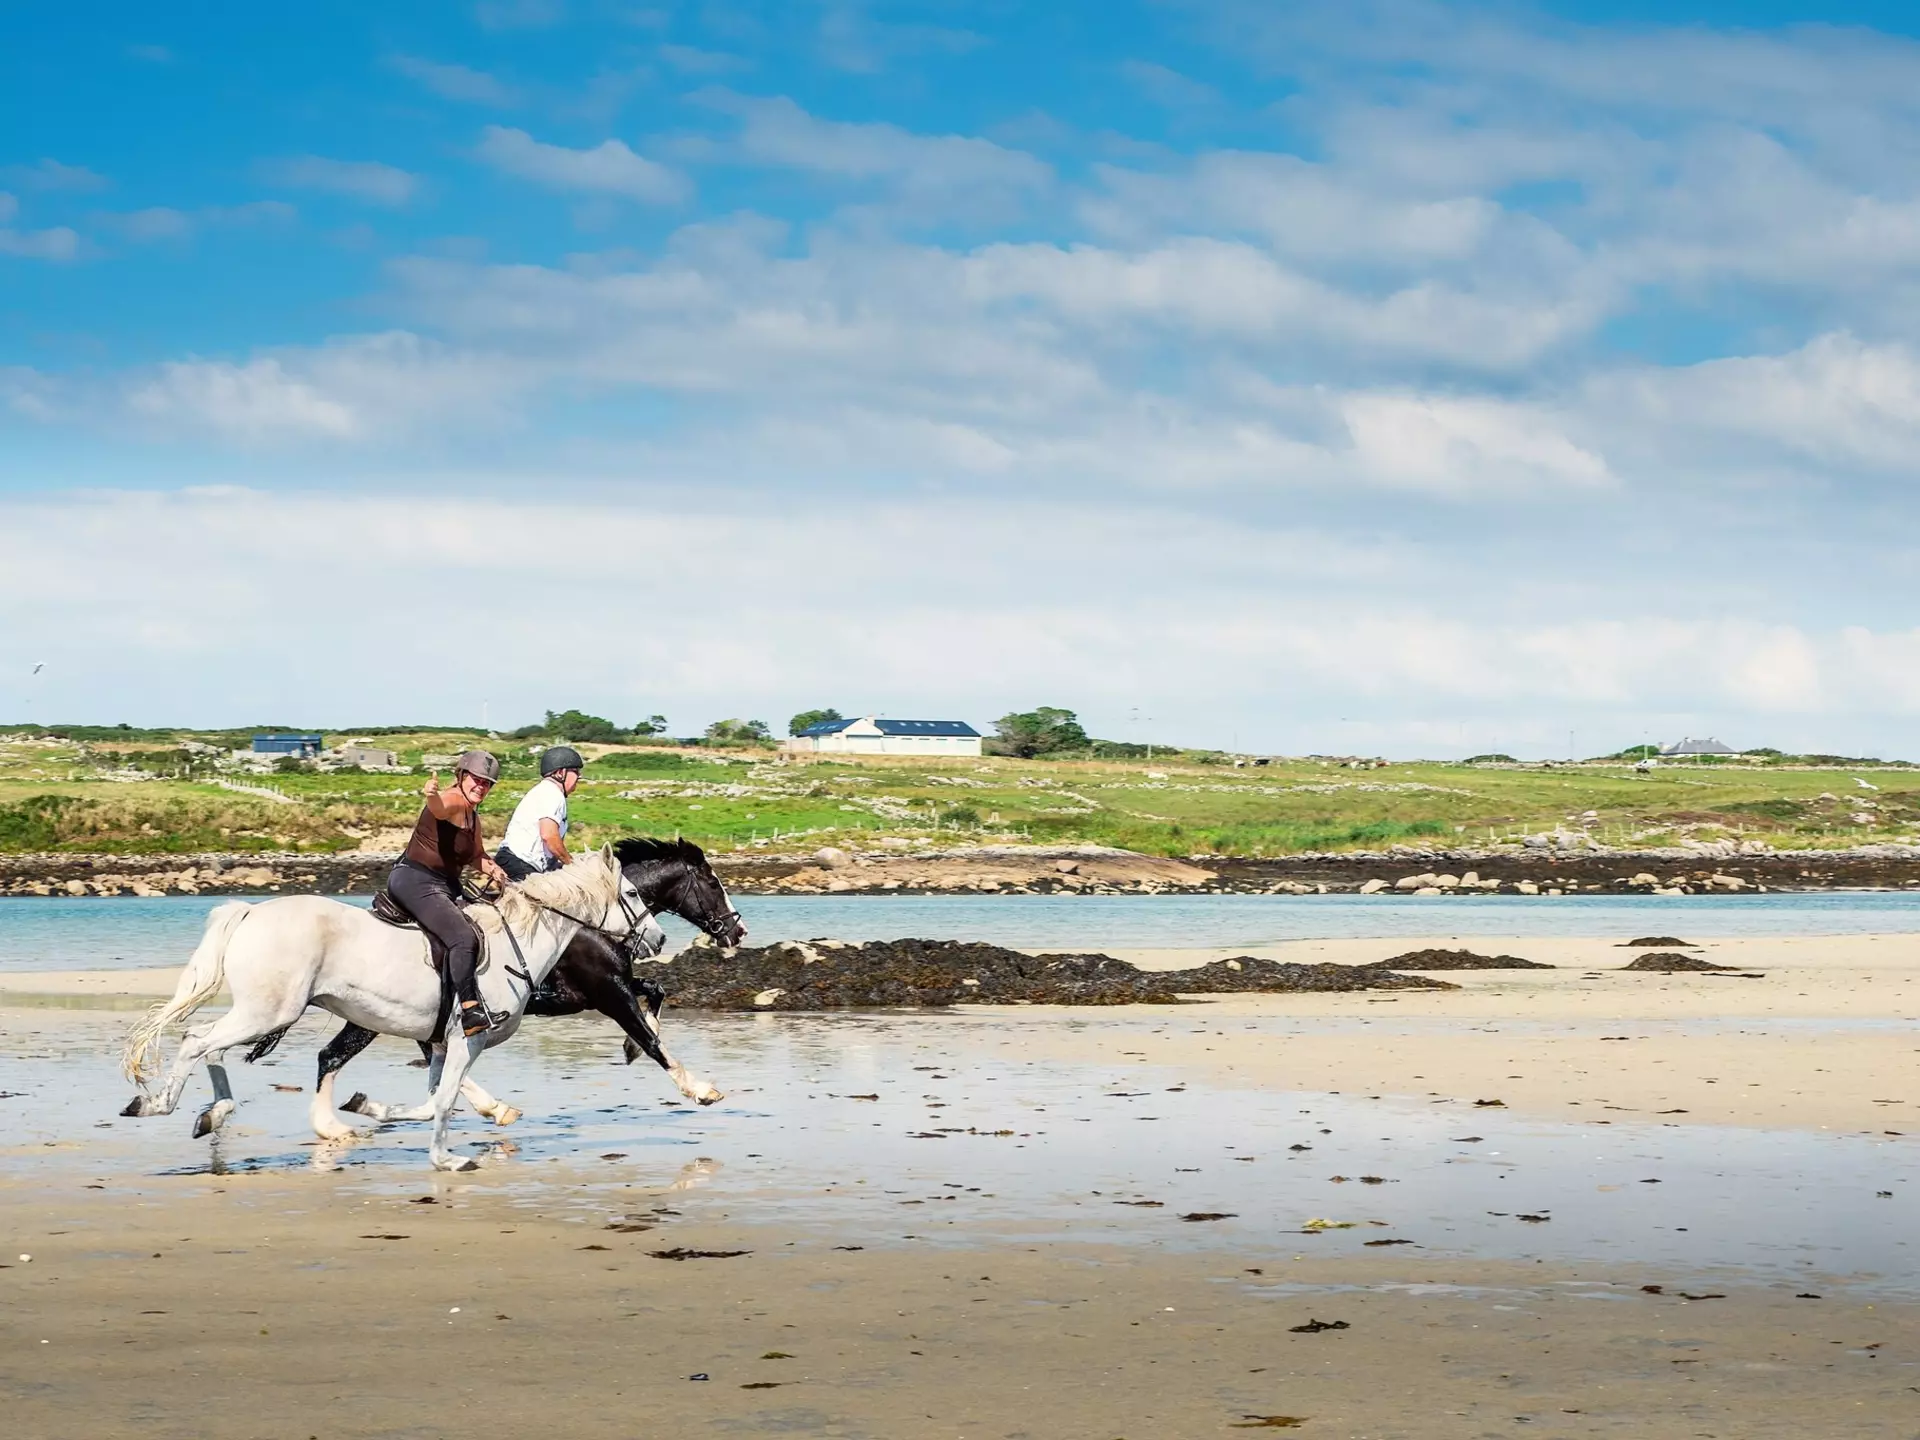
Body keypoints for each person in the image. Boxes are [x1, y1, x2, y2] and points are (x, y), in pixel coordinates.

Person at [387, 749, 512, 1037]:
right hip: (415, 879)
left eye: (487, 784)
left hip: (445, 885)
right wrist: (430, 794)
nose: (481, 787)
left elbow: (476, 854)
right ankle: (470, 1011)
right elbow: (439, 808)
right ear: (461, 776)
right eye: (476, 780)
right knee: (463, 937)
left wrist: (494, 871)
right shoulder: (454, 800)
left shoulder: (473, 817)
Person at [496, 745, 583, 880]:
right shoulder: (553, 793)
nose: (579, 776)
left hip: (518, 863)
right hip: (520, 864)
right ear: (561, 773)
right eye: (575, 771)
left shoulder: (546, 791)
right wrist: (572, 864)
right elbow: (549, 835)